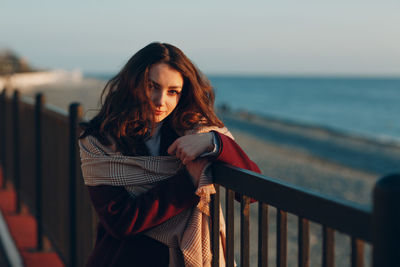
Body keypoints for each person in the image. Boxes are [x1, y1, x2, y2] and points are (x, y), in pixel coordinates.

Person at [79, 42, 260, 267]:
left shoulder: (195, 131)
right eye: (152, 86)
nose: (160, 100)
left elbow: (251, 190)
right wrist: (188, 181)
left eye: (172, 92)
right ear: (132, 84)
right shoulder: (100, 141)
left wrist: (214, 142)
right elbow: (120, 221)